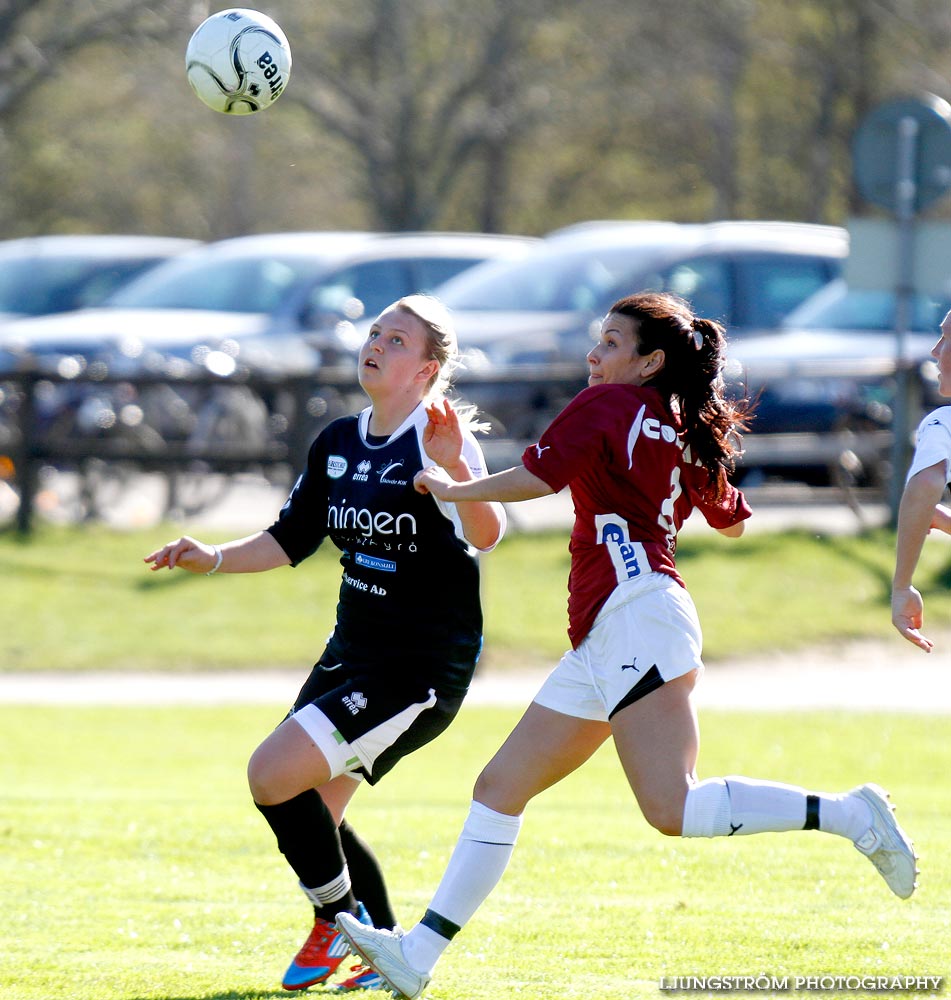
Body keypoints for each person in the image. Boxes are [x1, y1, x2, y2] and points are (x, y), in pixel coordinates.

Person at [336, 291, 919, 1000]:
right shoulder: (675, 419)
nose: (594, 354)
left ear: (649, 361)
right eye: (598, 340)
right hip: (617, 623)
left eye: (611, 343)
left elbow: (536, 478)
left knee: (672, 809)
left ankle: (851, 813)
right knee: (498, 788)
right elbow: (731, 523)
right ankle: (417, 956)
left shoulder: (610, 405)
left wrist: (448, 487)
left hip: (633, 614)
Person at [144, 295, 505, 992]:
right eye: (374, 333)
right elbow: (289, 539)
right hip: (351, 653)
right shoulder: (339, 440)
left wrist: (456, 469)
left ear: (427, 368)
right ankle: (377, 951)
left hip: (419, 666)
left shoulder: (438, 438)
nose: (374, 344)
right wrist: (210, 556)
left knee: (270, 775)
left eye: (395, 340)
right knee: (317, 818)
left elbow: (485, 535)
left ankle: (340, 927)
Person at [892, 307, 951, 652]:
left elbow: (926, 485)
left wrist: (902, 586)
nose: (935, 350)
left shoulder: (943, 423)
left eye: (946, 338)